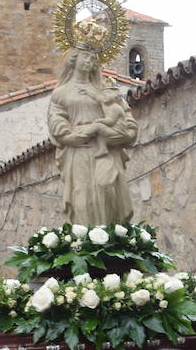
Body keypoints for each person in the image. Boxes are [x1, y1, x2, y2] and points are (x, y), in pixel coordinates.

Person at [48, 48, 138, 225]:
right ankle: (85, 243)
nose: (89, 61)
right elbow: (56, 120)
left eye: (93, 58)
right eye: (85, 56)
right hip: (79, 152)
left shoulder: (105, 90)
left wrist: (116, 133)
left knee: (108, 191)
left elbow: (127, 120)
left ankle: (111, 240)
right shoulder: (61, 92)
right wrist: (68, 136)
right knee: (82, 198)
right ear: (74, 59)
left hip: (106, 150)